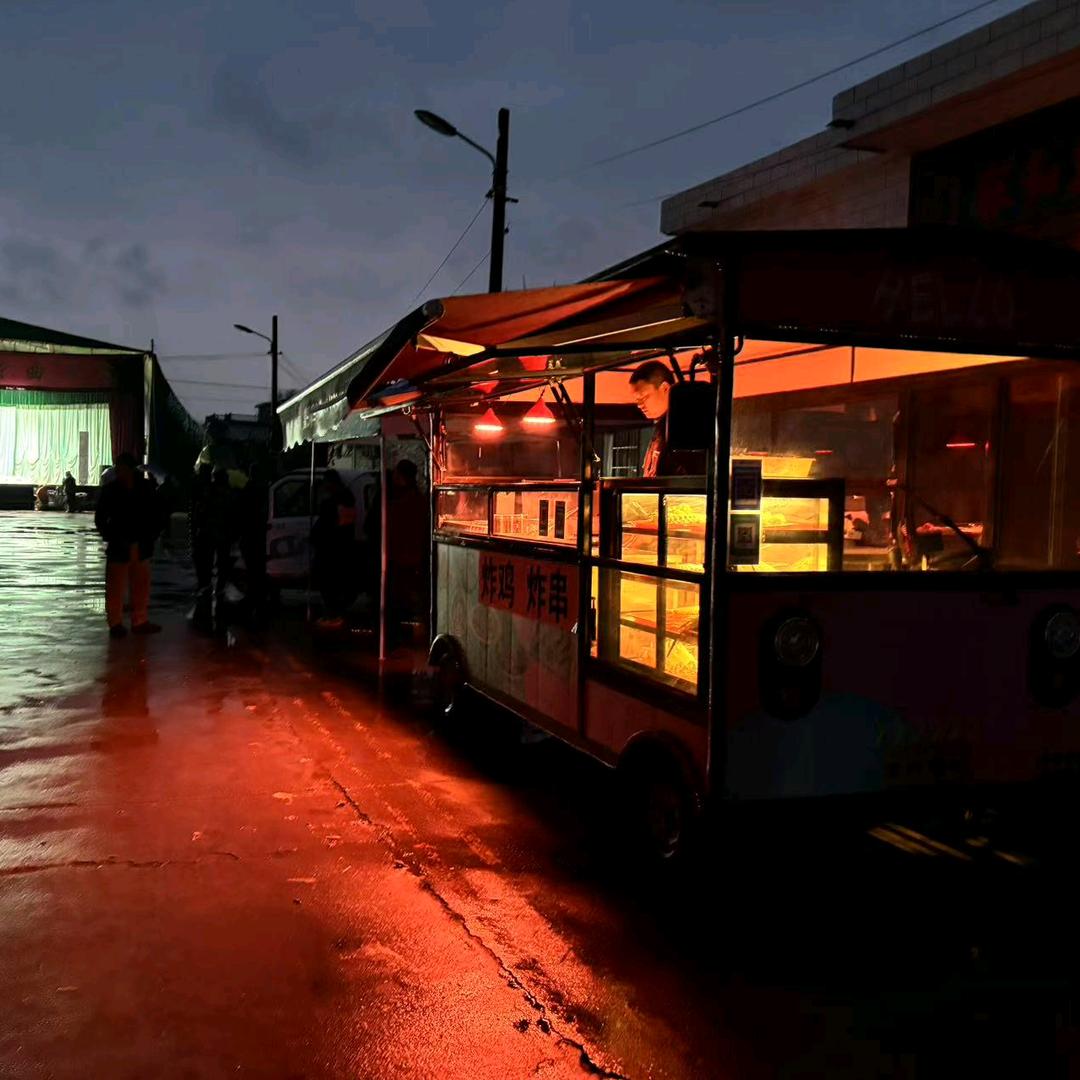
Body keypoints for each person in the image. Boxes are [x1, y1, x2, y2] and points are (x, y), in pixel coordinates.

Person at [94, 452, 162, 638]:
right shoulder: (113, 490)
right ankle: (116, 623)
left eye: (122, 467)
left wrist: (151, 535)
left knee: (139, 584)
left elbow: (156, 514)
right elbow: (100, 518)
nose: (119, 470)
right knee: (117, 586)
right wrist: (111, 535)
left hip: (139, 544)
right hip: (122, 544)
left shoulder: (143, 488)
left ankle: (138, 620)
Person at [629, 360, 706, 477]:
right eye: (637, 400)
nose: (640, 405)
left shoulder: (685, 426)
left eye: (644, 397)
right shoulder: (662, 427)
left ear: (665, 388)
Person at [386, 460, 427, 648]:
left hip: (401, 558)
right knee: (406, 600)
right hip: (413, 557)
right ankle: (405, 636)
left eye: (396, 475)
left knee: (398, 601)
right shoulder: (419, 500)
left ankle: (398, 639)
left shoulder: (400, 503)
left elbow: (393, 530)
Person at [311, 469, 356, 630]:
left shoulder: (333, 502)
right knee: (334, 582)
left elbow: (327, 526)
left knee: (329, 583)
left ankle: (333, 614)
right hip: (339, 547)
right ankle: (335, 613)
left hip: (331, 549)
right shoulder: (347, 499)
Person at [239, 461, 269, 618]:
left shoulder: (250, 489)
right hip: (259, 533)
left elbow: (241, 511)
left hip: (251, 534)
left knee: (253, 569)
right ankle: (259, 598)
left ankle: (253, 597)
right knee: (258, 569)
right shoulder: (264, 488)